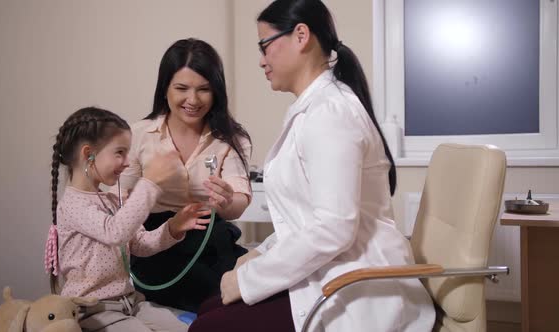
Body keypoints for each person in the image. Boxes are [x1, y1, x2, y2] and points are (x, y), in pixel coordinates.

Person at [189, 1, 436, 331]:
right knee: (208, 306)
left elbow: (334, 228)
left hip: (355, 285)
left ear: (301, 35)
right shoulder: (315, 108)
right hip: (329, 271)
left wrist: (248, 279)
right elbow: (305, 221)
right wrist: (258, 256)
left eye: (265, 45)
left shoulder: (331, 114)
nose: (261, 60)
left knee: (208, 325)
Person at [117, 38, 252, 313]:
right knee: (219, 298)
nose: (193, 100)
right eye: (181, 88)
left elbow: (239, 202)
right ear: (164, 88)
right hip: (156, 244)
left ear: (216, 92)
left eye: (204, 89)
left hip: (211, 240)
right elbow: (119, 206)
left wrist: (226, 202)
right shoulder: (139, 135)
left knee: (255, 282)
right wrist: (151, 182)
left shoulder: (231, 139)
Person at [46, 106, 210, 332]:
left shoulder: (111, 200)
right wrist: (149, 183)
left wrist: (173, 227)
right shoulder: (73, 205)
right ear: (88, 154)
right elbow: (115, 232)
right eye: (120, 152)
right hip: (93, 311)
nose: (126, 161)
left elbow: (140, 244)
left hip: (130, 303)